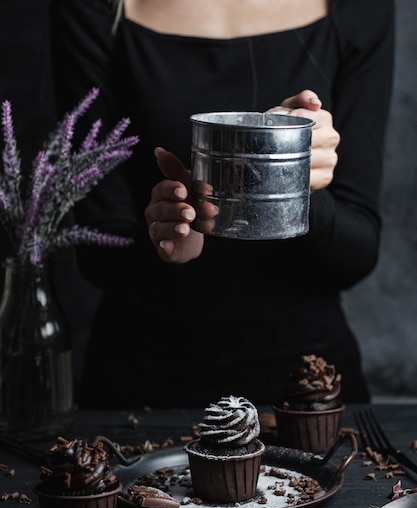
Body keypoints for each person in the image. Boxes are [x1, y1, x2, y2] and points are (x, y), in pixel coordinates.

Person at [50, 0, 394, 409]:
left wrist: (291, 180)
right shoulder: (92, 9)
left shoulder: (359, 9)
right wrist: (166, 240)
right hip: (140, 383)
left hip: (307, 388)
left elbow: (358, 250)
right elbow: (95, 251)